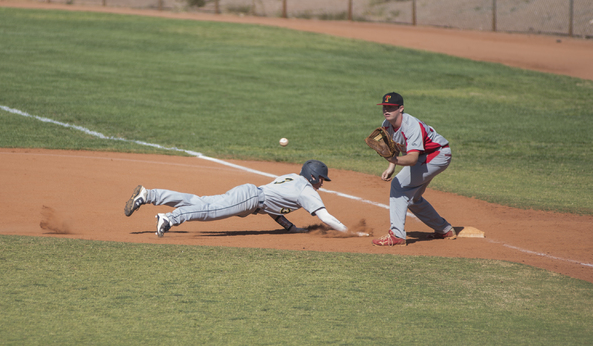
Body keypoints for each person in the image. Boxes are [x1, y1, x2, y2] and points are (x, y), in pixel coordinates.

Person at [124, 160, 367, 237]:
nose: (322, 183)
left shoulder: (293, 178)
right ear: (313, 177)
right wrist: (349, 232)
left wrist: (291, 228)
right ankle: (169, 219)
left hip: (250, 196)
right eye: (322, 179)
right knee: (208, 211)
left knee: (200, 202)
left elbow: (274, 208)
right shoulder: (306, 191)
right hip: (250, 199)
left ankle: (149, 195)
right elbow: (324, 216)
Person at [371, 92, 455, 247]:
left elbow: (412, 159)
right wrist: (391, 166)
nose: (386, 110)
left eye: (391, 107)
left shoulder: (411, 126)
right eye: (384, 107)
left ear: (401, 108)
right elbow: (393, 147)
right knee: (413, 198)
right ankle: (444, 229)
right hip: (426, 156)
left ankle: (396, 235)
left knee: (398, 185)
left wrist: (393, 160)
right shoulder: (387, 124)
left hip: (437, 155)